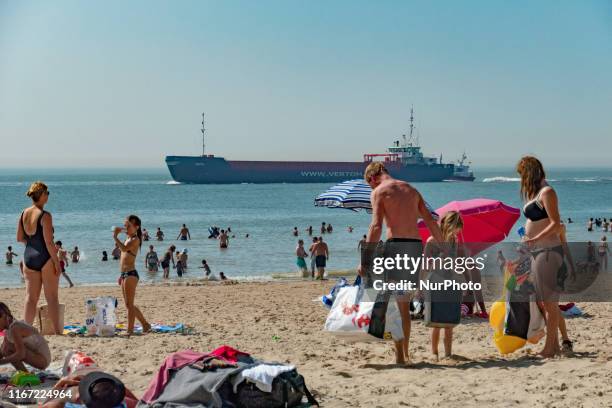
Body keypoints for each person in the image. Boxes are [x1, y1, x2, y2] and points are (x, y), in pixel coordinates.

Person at [358, 162, 443, 365]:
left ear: (372, 177)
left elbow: (376, 225)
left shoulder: (379, 191)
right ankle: (405, 353)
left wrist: (365, 259)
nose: (371, 188)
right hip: (414, 247)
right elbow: (431, 222)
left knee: (395, 305)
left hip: (395, 246)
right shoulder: (411, 189)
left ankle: (399, 357)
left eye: (369, 185)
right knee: (404, 305)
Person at [516, 156, 565, 358]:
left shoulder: (547, 192)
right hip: (538, 251)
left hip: (548, 252)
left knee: (550, 303)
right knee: (546, 302)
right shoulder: (537, 193)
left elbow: (556, 223)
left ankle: (549, 348)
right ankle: (553, 346)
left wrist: (535, 237)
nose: (521, 179)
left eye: (522, 174)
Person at [16, 181, 62, 334]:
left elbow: (20, 238)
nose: (48, 196)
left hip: (29, 257)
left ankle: (25, 330)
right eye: (47, 193)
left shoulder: (24, 213)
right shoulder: (45, 215)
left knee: (30, 298)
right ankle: (57, 332)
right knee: (52, 298)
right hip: (45, 258)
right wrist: (57, 263)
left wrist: (33, 245)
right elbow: (49, 242)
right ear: (41, 195)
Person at [423, 211, 464, 361]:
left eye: (458, 230)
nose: (457, 233)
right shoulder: (431, 241)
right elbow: (426, 265)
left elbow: (454, 265)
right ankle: (434, 352)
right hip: (435, 283)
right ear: (447, 225)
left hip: (450, 283)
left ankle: (448, 353)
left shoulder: (454, 241)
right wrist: (437, 261)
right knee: (436, 322)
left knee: (450, 322)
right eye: (455, 228)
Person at [113, 215, 150, 336]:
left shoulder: (135, 239)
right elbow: (123, 258)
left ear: (136, 227)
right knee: (129, 305)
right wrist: (120, 275)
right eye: (125, 225)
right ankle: (145, 324)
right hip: (124, 274)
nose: (126, 227)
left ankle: (130, 330)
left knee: (129, 305)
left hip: (131, 274)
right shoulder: (128, 238)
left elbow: (124, 249)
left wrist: (115, 237)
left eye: (129, 225)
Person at [0, 302, 51, 371]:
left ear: (4, 316)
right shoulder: (8, 327)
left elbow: (21, 354)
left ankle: (25, 373)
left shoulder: (15, 328)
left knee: (8, 348)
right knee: (5, 347)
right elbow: (2, 351)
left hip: (42, 360)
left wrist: (2, 362)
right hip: (35, 355)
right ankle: (23, 373)